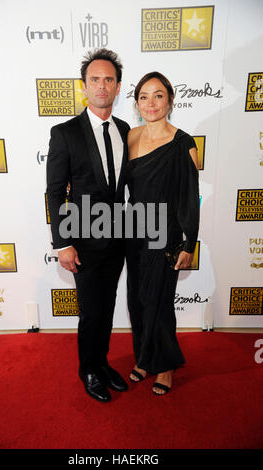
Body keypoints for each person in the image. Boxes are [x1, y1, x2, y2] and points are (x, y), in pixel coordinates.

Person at [46, 49, 130, 403]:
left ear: (117, 87)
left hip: (118, 239)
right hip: (82, 240)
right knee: (91, 311)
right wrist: (62, 244)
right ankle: (89, 369)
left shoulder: (125, 130)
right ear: (84, 87)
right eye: (94, 79)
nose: (101, 85)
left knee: (107, 307)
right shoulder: (65, 133)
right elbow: (54, 191)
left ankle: (103, 361)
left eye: (108, 79)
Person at [126, 71, 199, 395]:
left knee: (159, 301)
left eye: (158, 95)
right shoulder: (130, 137)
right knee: (137, 300)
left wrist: (189, 242)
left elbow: (189, 196)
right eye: (144, 96)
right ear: (137, 102)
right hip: (132, 231)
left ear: (170, 100)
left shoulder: (184, 143)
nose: (151, 103)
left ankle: (166, 364)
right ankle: (144, 357)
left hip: (165, 233)